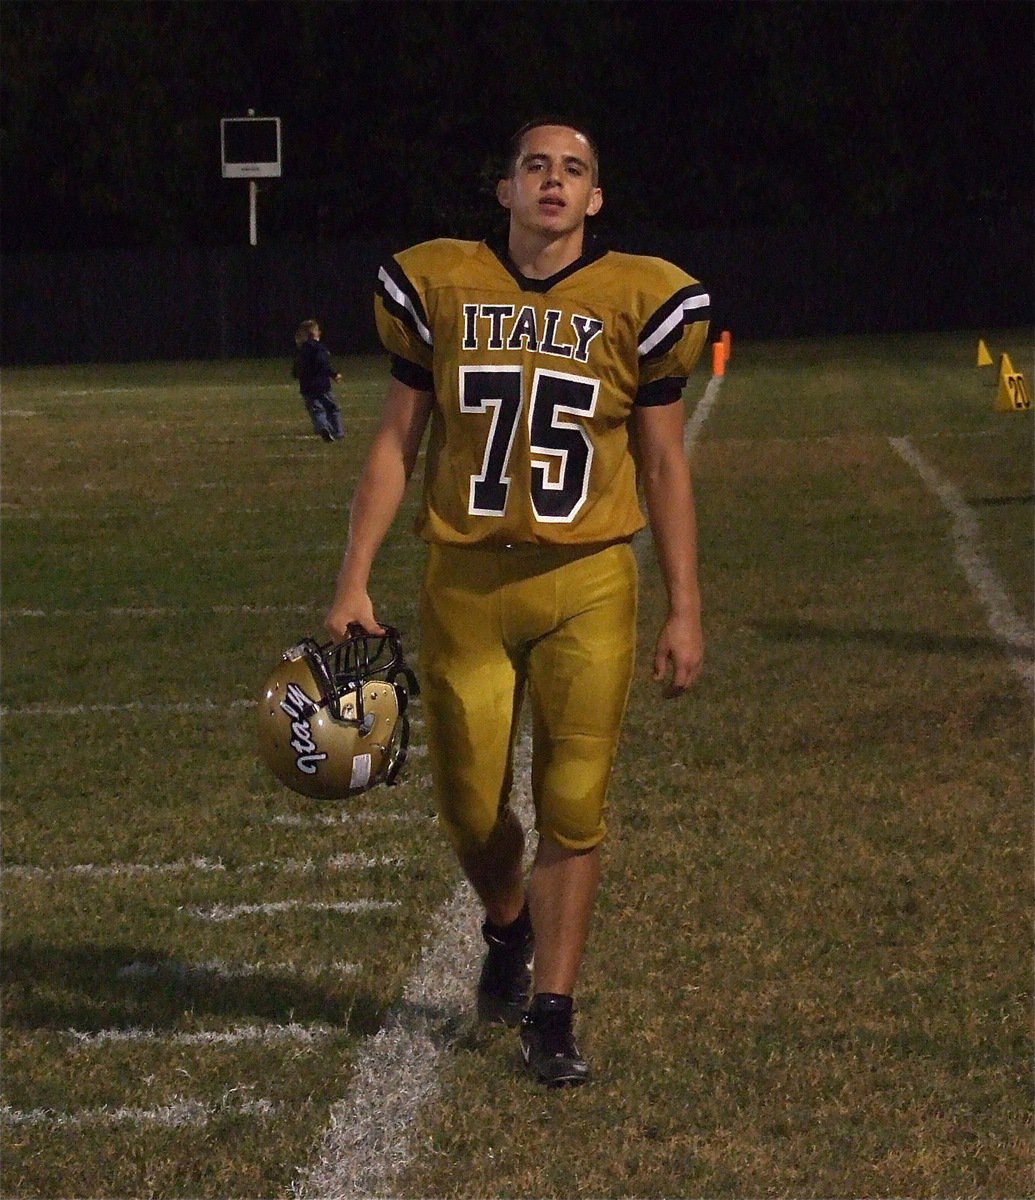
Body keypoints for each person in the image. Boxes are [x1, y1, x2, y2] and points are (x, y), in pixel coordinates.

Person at [325, 118, 709, 1086]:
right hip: (466, 583)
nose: (553, 180)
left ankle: (555, 1010)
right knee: (468, 810)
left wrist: (685, 604)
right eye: (535, 165)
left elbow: (663, 464)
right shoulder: (442, 284)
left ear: (595, 199)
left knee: (575, 800)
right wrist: (352, 577)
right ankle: (508, 926)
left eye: (574, 169)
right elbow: (392, 445)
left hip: (588, 578)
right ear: (503, 189)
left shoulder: (640, 297)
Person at [293, 319, 345, 441]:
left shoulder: (302, 350)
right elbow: (323, 364)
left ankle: (323, 427)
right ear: (315, 333)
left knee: (316, 410)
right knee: (332, 408)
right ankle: (338, 432)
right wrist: (333, 374)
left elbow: (297, 367)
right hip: (322, 386)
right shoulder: (319, 349)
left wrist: (296, 374)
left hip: (307, 387)